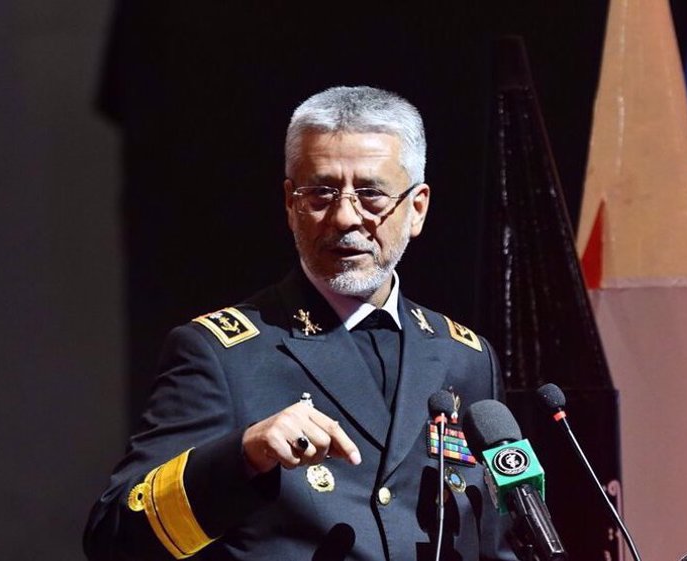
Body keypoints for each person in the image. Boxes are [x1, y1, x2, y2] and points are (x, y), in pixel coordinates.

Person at [84, 86, 514, 561]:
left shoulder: (466, 358)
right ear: (290, 204)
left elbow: (495, 543)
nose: (345, 216)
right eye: (320, 193)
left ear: (416, 208)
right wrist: (243, 457)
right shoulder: (223, 353)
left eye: (371, 194)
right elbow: (115, 537)